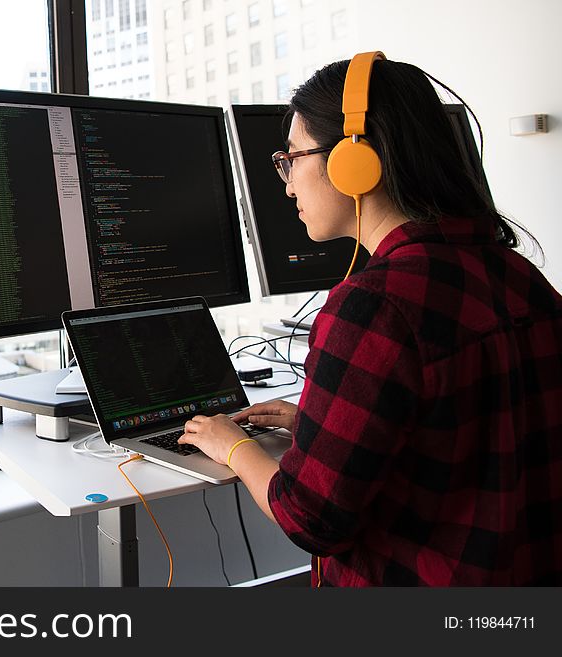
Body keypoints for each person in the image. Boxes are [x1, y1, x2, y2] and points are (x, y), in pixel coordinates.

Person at [178, 53, 562, 586]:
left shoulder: (374, 306)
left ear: (354, 163)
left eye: (291, 159)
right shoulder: (520, 274)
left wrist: (232, 445)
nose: (286, 185)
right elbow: (473, 428)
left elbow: (310, 517)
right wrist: (320, 424)